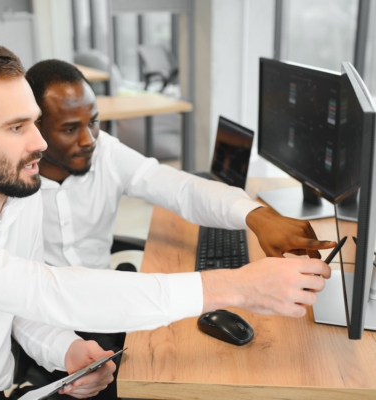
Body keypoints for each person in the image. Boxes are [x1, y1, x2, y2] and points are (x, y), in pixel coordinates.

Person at [0, 43, 332, 400]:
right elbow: (44, 290)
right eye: (18, 127)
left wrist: (69, 351)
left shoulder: (13, 202)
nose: (38, 142)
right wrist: (239, 286)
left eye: (36, 123)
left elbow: (18, 308)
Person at [24, 59, 337, 399]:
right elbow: (16, 300)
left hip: (106, 307)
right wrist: (64, 348)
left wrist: (256, 215)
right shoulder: (10, 189)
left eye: (94, 122)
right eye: (70, 129)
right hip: (49, 325)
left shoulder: (105, 153)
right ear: (33, 128)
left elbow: (179, 188)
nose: (89, 139)